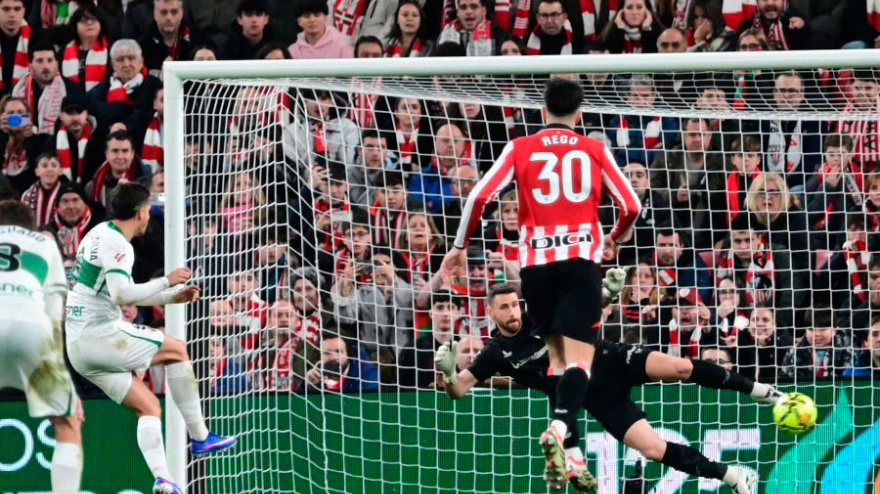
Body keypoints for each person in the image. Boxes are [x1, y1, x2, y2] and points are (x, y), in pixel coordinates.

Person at [439, 78, 641, 489]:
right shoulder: (595, 149)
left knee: (557, 362)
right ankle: (560, 429)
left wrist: (459, 246)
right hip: (580, 261)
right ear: (579, 114)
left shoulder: (520, 147)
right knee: (580, 360)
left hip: (536, 266)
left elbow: (479, 196)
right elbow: (632, 205)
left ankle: (573, 456)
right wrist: (615, 239)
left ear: (542, 112)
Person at [436, 283, 772, 493]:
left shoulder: (540, 319)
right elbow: (458, 390)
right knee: (652, 449)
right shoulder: (495, 353)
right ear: (490, 312)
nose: (513, 311)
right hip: (595, 396)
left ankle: (757, 389)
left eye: (515, 304)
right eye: (504, 307)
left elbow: (585, 311)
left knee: (681, 366)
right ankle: (731, 475)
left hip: (610, 360)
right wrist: (449, 372)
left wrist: (608, 294)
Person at [64, 183, 236, 494]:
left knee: (149, 407)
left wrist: (170, 296)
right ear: (140, 212)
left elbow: (115, 290)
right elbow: (121, 294)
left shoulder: (98, 232)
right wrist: (167, 280)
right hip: (100, 336)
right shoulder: (119, 245)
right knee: (177, 350)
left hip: (79, 346)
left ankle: (163, 479)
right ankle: (200, 437)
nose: (149, 215)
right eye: (148, 209)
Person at [0, 200, 83, 494]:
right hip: (31, 329)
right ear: (30, 227)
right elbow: (54, 314)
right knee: (68, 422)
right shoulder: (45, 244)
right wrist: (62, 379)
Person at [288, 0, 354, 60]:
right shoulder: (293, 51)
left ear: (325, 18)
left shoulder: (342, 46)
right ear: (299, 21)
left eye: (317, 15)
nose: (312, 20)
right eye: (306, 16)